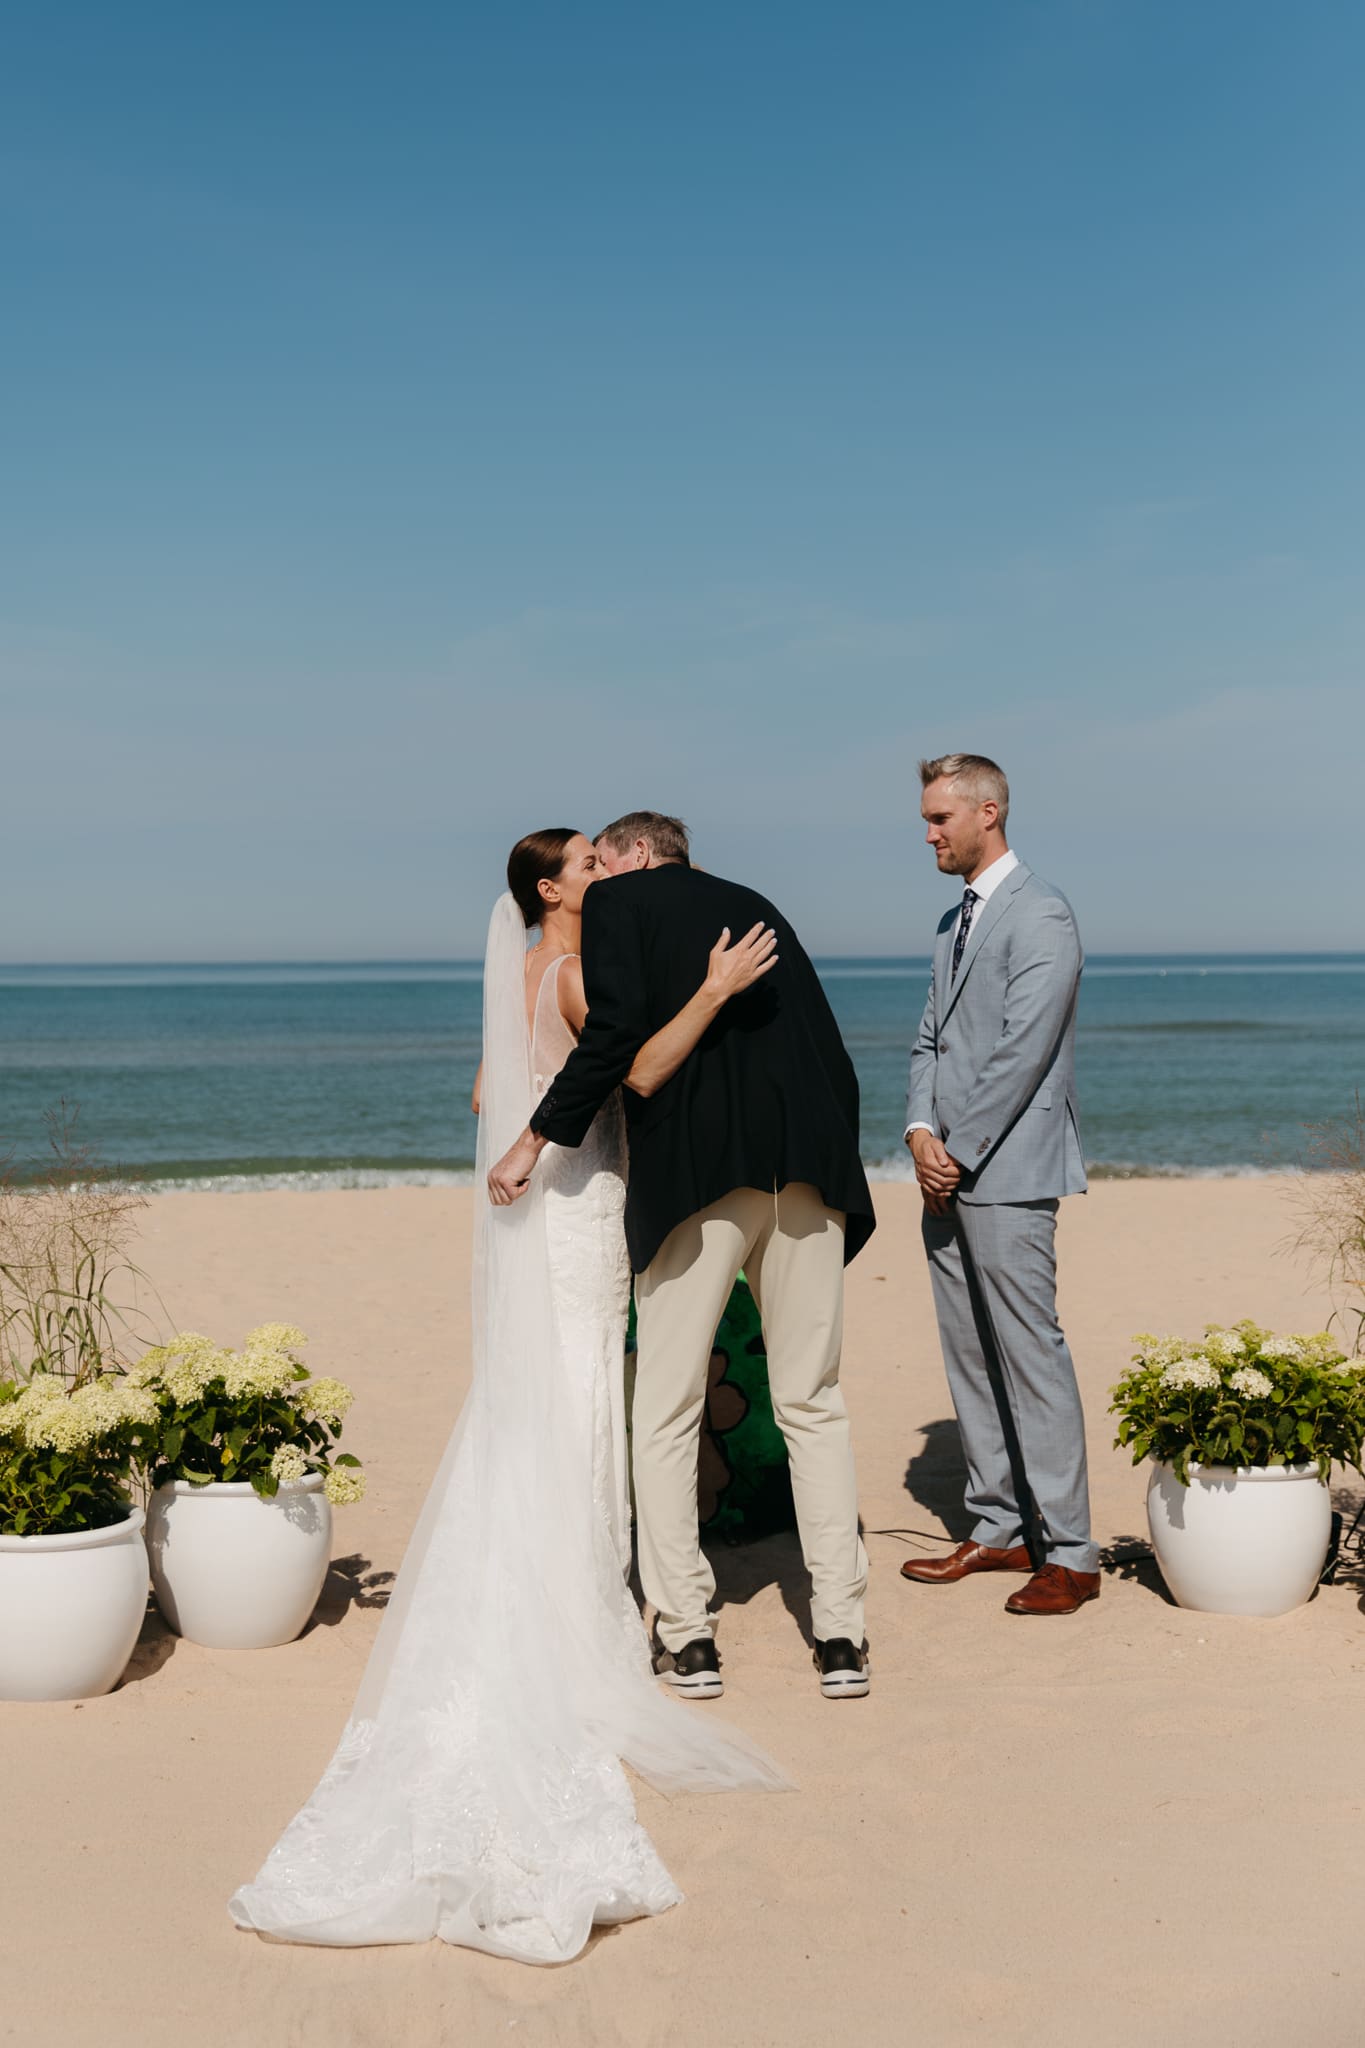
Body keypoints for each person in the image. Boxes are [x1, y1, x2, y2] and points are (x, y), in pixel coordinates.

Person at [229, 829, 785, 1964]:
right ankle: (578, 1616)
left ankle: (531, 1582)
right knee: (581, 1396)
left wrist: (525, 1141)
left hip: (538, 1207)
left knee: (533, 1402)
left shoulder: (524, 969)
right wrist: (716, 991)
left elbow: (494, 1086)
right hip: (578, 1209)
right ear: (549, 887)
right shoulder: (580, 971)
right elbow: (632, 1071)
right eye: (586, 860)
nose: (601, 870)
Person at [489, 811, 876, 1700]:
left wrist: (532, 1142)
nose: (602, 876)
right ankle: (843, 1635)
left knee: (665, 1410)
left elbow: (614, 1041)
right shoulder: (755, 905)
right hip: (808, 1177)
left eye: (603, 858)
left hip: (700, 1184)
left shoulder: (624, 905)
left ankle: (689, 1636)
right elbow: (833, 1059)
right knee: (813, 1402)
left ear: (630, 856)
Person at [900, 754, 1099, 1616]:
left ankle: (1071, 1552)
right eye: (925, 820)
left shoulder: (1042, 913)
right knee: (971, 1357)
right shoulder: (952, 921)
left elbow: (1024, 1051)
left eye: (941, 818)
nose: (930, 834)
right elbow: (928, 1043)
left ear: (989, 811)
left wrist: (958, 1148)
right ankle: (998, 1528)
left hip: (1007, 1174)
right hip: (941, 1172)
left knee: (1029, 1359)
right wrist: (917, 1132)